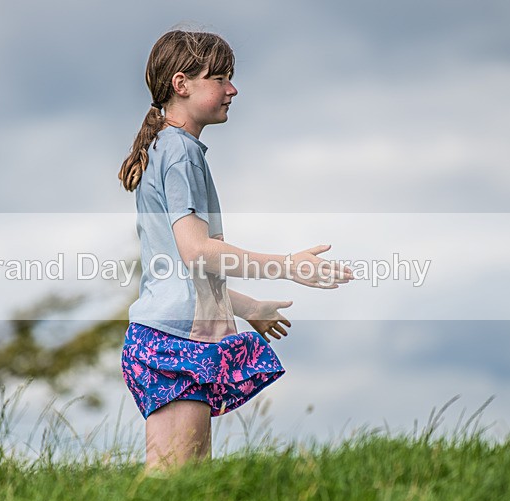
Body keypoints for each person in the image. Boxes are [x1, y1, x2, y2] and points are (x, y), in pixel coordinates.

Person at [118, 29, 353, 471]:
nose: (232, 88)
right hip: (176, 341)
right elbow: (196, 251)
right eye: (220, 77)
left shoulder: (168, 148)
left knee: (178, 478)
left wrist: (246, 306)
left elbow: (178, 271)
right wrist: (287, 267)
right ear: (181, 83)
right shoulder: (180, 152)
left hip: (162, 334)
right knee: (182, 479)